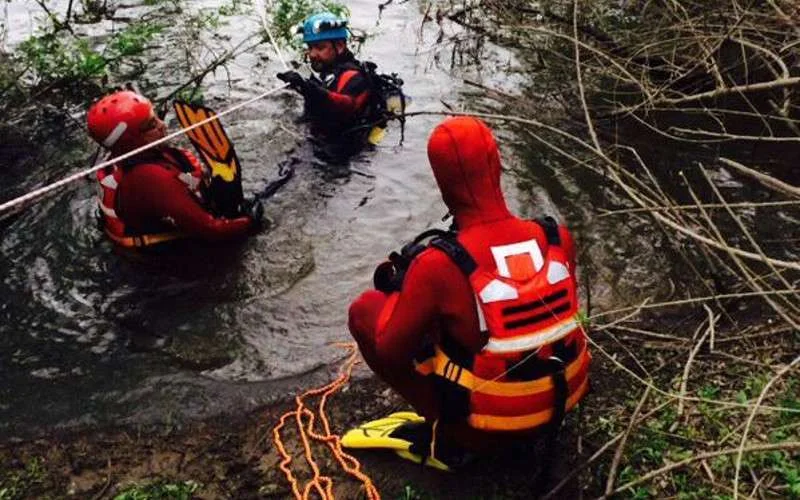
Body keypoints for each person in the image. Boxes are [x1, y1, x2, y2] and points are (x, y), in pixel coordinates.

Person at [345, 117, 590, 475]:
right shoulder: (557, 238)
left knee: (364, 310)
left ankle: (450, 438)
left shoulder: (437, 265)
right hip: (559, 403)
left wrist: (404, 290)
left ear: (441, 182)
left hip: (485, 431)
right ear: (497, 164)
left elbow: (391, 352)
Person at [87, 90, 262, 248]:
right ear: (131, 140)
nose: (162, 124)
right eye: (151, 125)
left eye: (156, 117)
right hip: (166, 263)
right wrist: (249, 221)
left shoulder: (121, 157)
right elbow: (212, 230)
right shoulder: (149, 178)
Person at [276, 12, 393, 154]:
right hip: (319, 139)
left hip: (344, 151)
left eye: (320, 48)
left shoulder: (355, 77)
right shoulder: (327, 74)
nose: (312, 54)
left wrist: (307, 88)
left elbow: (346, 104)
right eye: (310, 47)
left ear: (339, 46)